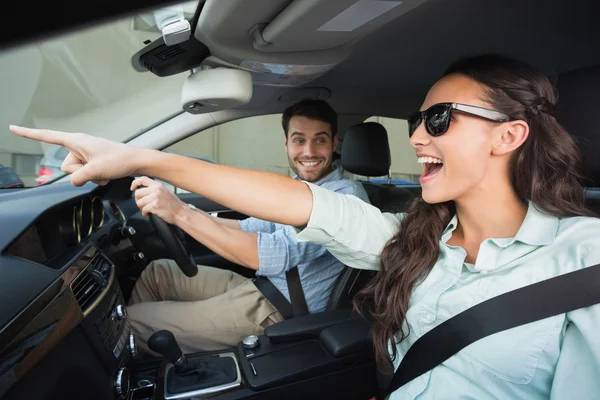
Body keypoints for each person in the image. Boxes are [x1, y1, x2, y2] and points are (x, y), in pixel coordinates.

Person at [10, 54, 600, 399]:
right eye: (418, 121)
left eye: (439, 119)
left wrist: (176, 203)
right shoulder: (418, 240)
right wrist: (140, 158)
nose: (417, 137)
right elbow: (309, 208)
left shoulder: (584, 265)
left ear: (509, 135)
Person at [126, 98, 369, 354]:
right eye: (299, 140)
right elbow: (251, 226)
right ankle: (149, 365)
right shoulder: (299, 187)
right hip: (262, 287)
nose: (309, 151)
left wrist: (181, 213)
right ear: (287, 144)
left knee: (130, 323)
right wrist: (186, 212)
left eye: (319, 140)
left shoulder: (345, 197)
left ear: (334, 143)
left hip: (276, 309)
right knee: (157, 273)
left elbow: (278, 255)